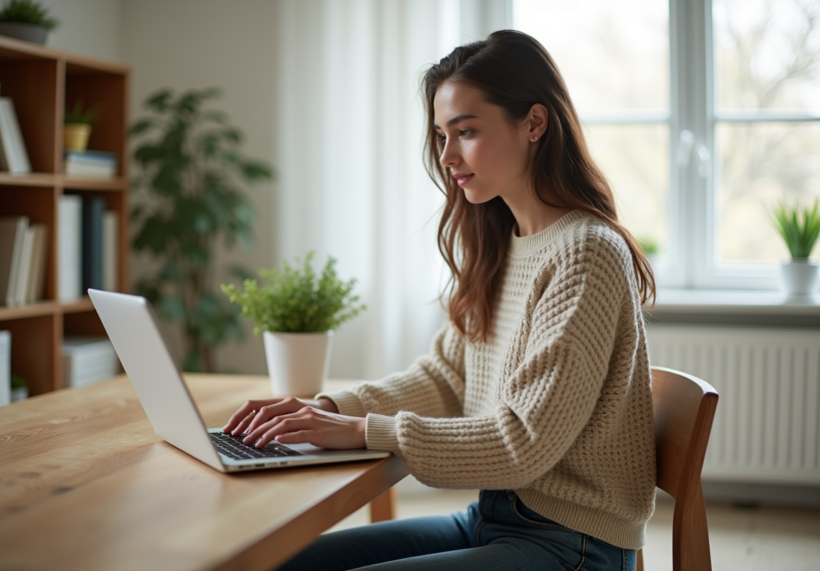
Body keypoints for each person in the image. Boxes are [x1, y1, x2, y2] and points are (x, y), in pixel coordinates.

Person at [224, 29, 657, 571]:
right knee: (277, 562)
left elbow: (522, 444)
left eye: (466, 131)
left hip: (573, 543)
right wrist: (328, 410)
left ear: (535, 123)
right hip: (492, 519)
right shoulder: (503, 242)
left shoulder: (586, 254)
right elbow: (445, 378)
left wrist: (361, 431)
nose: (448, 156)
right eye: (440, 135)